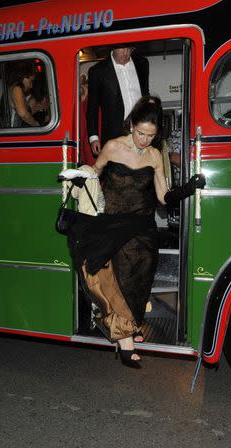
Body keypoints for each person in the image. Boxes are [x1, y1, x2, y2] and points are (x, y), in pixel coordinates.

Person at [66, 96, 204, 367]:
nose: (144, 140)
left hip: (144, 229)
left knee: (140, 282)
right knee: (118, 281)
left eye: (151, 135)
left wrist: (187, 189)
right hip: (115, 226)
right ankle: (125, 340)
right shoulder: (112, 147)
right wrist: (81, 175)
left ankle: (132, 326)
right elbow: (94, 173)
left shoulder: (154, 155)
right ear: (130, 125)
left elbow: (163, 197)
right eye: (141, 133)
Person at [86, 46, 149, 156]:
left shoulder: (142, 63)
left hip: (143, 132)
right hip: (114, 135)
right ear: (113, 47)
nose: (126, 53)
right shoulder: (97, 71)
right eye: (122, 49)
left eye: (130, 49)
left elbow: (146, 93)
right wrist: (93, 137)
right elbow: (92, 107)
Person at [7, 63, 39, 127]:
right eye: (31, 81)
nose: (31, 86)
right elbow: (23, 114)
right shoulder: (17, 89)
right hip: (15, 130)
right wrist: (35, 124)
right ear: (25, 78)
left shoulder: (16, 89)